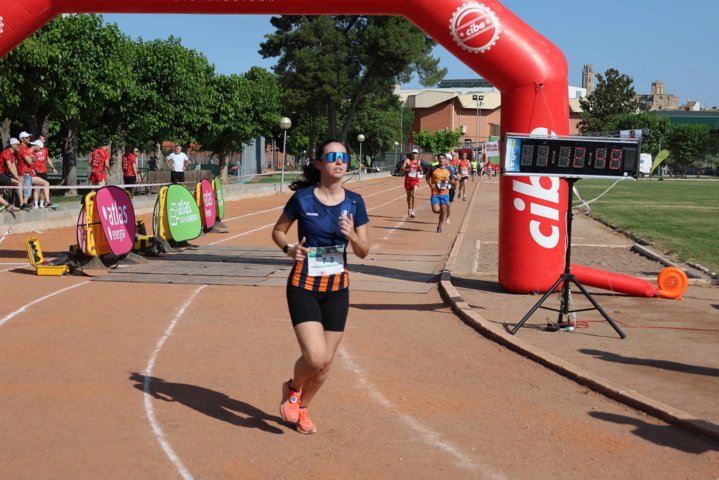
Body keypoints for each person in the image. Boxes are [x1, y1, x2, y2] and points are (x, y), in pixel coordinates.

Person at [272, 139, 370, 434]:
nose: (339, 161)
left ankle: (302, 408)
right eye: (332, 157)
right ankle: (292, 388)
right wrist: (289, 248)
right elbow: (278, 231)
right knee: (315, 357)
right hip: (304, 284)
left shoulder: (355, 202)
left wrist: (352, 235)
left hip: (337, 288)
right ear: (319, 164)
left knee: (326, 364)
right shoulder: (303, 199)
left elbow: (364, 250)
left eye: (344, 157)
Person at [426, 153, 452, 233]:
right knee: (435, 210)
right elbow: (427, 177)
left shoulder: (449, 170)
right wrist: (430, 185)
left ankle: (439, 226)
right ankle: (443, 214)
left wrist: (449, 180)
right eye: (439, 158)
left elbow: (453, 182)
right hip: (435, 193)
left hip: (445, 193)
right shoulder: (432, 168)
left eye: (443, 158)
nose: (441, 160)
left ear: (445, 160)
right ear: (437, 159)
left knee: (443, 210)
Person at [30, 140, 56, 208]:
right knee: (37, 188)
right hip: (36, 171)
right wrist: (32, 169)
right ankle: (36, 204)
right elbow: (30, 161)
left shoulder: (45, 150)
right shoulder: (32, 151)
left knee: (43, 188)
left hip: (43, 171)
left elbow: (48, 159)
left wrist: (53, 168)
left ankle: (42, 204)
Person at [0, 139, 22, 213]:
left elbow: (13, 166)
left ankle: (6, 207)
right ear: (12, 145)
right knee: (18, 183)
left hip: (3, 175)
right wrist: (17, 178)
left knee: (1, 192)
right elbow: (10, 166)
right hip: (1, 175)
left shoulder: (12, 154)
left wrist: (17, 177)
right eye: (18, 145)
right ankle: (20, 204)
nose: (19, 146)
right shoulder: (7, 152)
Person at [402, 148, 422, 218]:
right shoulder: (407, 160)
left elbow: (420, 169)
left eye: (416, 153)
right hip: (408, 180)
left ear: (418, 155)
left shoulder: (419, 162)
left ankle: (413, 210)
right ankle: (409, 208)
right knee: (409, 196)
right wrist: (407, 169)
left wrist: (420, 170)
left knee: (414, 195)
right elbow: (402, 168)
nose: (414, 155)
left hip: (415, 180)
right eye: (413, 153)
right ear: (411, 154)